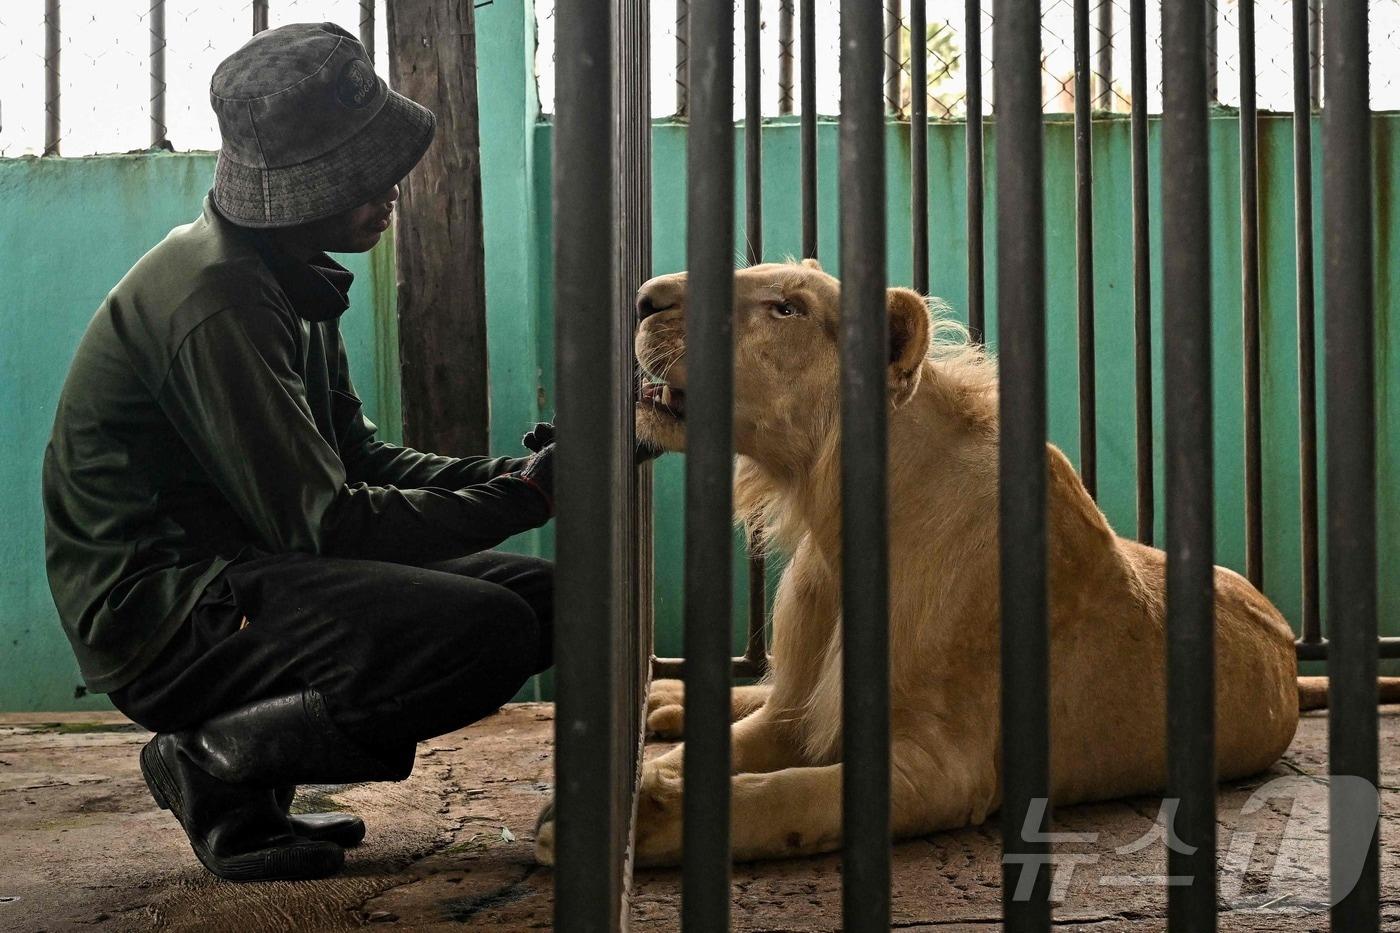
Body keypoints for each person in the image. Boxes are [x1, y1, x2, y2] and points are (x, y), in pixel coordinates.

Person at [42, 22, 608, 882]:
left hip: (239, 575)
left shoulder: (286, 275)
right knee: (484, 631)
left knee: (552, 597)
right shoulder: (219, 297)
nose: (390, 190)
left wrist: (518, 475)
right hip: (162, 618)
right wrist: (528, 500)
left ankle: (246, 767)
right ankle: (214, 762)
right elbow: (326, 519)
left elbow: (357, 458)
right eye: (366, 174)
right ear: (304, 187)